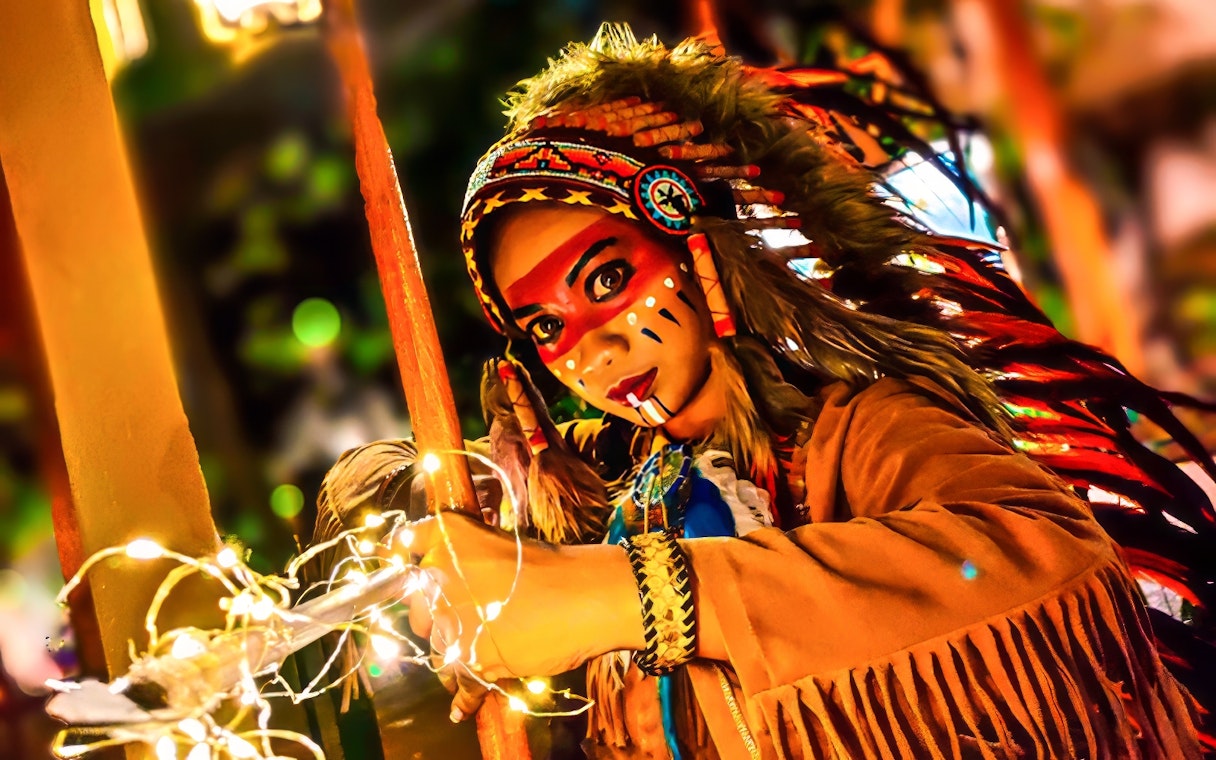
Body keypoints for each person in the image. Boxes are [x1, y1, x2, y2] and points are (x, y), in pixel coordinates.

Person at [314, 24, 1214, 758]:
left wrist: (640, 596)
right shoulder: (619, 492)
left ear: (703, 252)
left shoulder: (857, 433)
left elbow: (1046, 559)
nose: (592, 348)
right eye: (545, 326)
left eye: (606, 280)